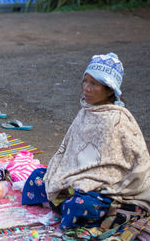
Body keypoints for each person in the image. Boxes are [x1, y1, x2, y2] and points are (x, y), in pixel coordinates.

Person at [22, 53, 150, 230]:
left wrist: (89, 183)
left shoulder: (119, 121)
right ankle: (64, 205)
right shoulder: (86, 111)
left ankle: (112, 211)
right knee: (36, 179)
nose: (86, 88)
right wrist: (66, 178)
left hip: (105, 189)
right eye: (85, 81)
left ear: (110, 90)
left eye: (94, 84)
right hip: (77, 179)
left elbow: (130, 165)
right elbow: (68, 149)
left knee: (79, 205)